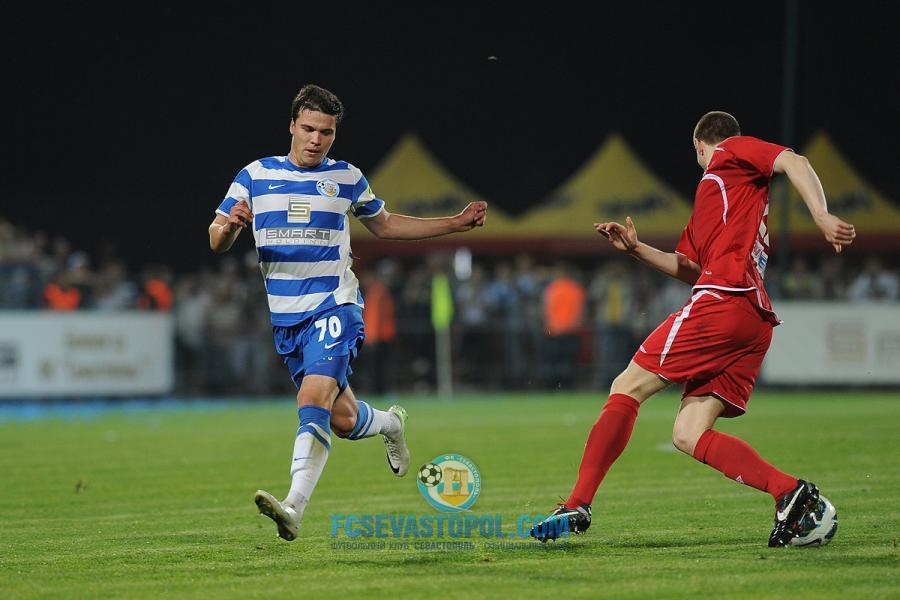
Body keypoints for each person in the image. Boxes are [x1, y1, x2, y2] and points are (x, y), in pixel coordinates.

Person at [529, 111, 855, 546]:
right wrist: (636, 249)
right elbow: (690, 268)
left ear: (700, 145)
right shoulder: (721, 197)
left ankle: (578, 503)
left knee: (627, 386)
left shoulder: (729, 153)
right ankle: (790, 494)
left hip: (723, 302)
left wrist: (821, 215)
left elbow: (795, 161)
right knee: (688, 433)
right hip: (751, 319)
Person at [208, 84, 487, 541]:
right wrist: (231, 228)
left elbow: (386, 225)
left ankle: (293, 507)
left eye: (327, 132)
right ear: (292, 126)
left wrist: (454, 224)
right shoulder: (254, 175)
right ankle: (391, 423)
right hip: (287, 320)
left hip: (336, 304)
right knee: (342, 420)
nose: (316, 139)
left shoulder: (346, 177)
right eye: (309, 129)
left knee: (311, 400)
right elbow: (216, 238)